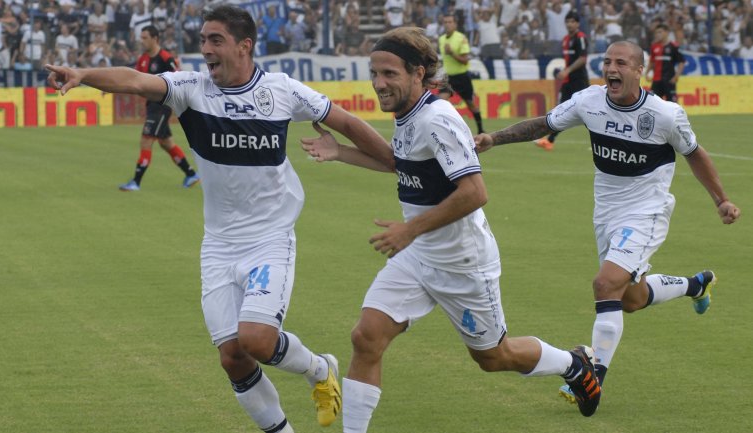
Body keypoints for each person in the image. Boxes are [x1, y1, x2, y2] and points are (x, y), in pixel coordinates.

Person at [46, 5, 392, 432]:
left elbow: (347, 122)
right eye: (203, 41)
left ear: (244, 46)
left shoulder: (283, 91)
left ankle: (320, 370)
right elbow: (134, 81)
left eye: (216, 41)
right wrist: (83, 75)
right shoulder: (191, 88)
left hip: (270, 237)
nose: (205, 50)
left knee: (257, 340)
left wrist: (395, 162)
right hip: (219, 245)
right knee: (232, 356)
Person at [300, 27, 602, 431]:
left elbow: (475, 192)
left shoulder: (438, 118)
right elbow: (399, 164)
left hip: (463, 262)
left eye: (389, 73)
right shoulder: (408, 115)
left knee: (494, 357)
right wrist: (342, 152)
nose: (378, 83)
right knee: (366, 337)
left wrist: (409, 230)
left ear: (418, 72)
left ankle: (574, 364)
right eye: (374, 73)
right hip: (418, 256)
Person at [474, 40, 741, 405]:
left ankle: (591, 379)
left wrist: (721, 199)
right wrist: (495, 137)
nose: (611, 69)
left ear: (638, 70)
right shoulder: (590, 101)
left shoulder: (664, 115)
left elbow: (695, 154)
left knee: (605, 283)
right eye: (607, 62)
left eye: (621, 63)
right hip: (607, 213)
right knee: (630, 297)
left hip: (647, 210)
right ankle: (696, 285)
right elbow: (544, 123)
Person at [118, 25, 199, 192]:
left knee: (146, 140)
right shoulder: (143, 59)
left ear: (155, 39)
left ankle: (136, 182)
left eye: (145, 37)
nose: (142, 41)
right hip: (151, 105)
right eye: (141, 38)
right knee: (165, 143)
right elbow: (134, 80)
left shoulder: (165, 58)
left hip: (162, 106)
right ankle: (191, 174)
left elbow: (179, 78)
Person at [535, 11, 589, 151]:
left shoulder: (581, 38)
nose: (569, 24)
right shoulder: (565, 39)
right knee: (561, 110)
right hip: (568, 81)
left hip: (579, 81)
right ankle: (549, 141)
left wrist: (567, 71)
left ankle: (604, 139)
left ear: (577, 23)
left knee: (588, 112)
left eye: (572, 21)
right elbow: (569, 60)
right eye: (568, 21)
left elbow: (583, 58)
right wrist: (562, 71)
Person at [438, 13, 485, 135]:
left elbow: (465, 61)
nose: (447, 24)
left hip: (462, 77)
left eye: (450, 22)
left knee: (471, 104)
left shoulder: (461, 38)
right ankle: (443, 130)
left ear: (455, 24)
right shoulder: (441, 39)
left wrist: (452, 53)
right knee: (439, 102)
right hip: (448, 77)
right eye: (445, 22)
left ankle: (480, 130)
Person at [645, 23, 685, 102]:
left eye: (660, 32)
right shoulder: (654, 46)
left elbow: (681, 62)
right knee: (653, 103)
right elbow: (652, 62)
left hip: (669, 80)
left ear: (667, 32)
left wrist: (676, 76)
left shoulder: (674, 46)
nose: (658, 34)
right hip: (656, 80)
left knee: (672, 103)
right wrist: (647, 73)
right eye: (656, 33)